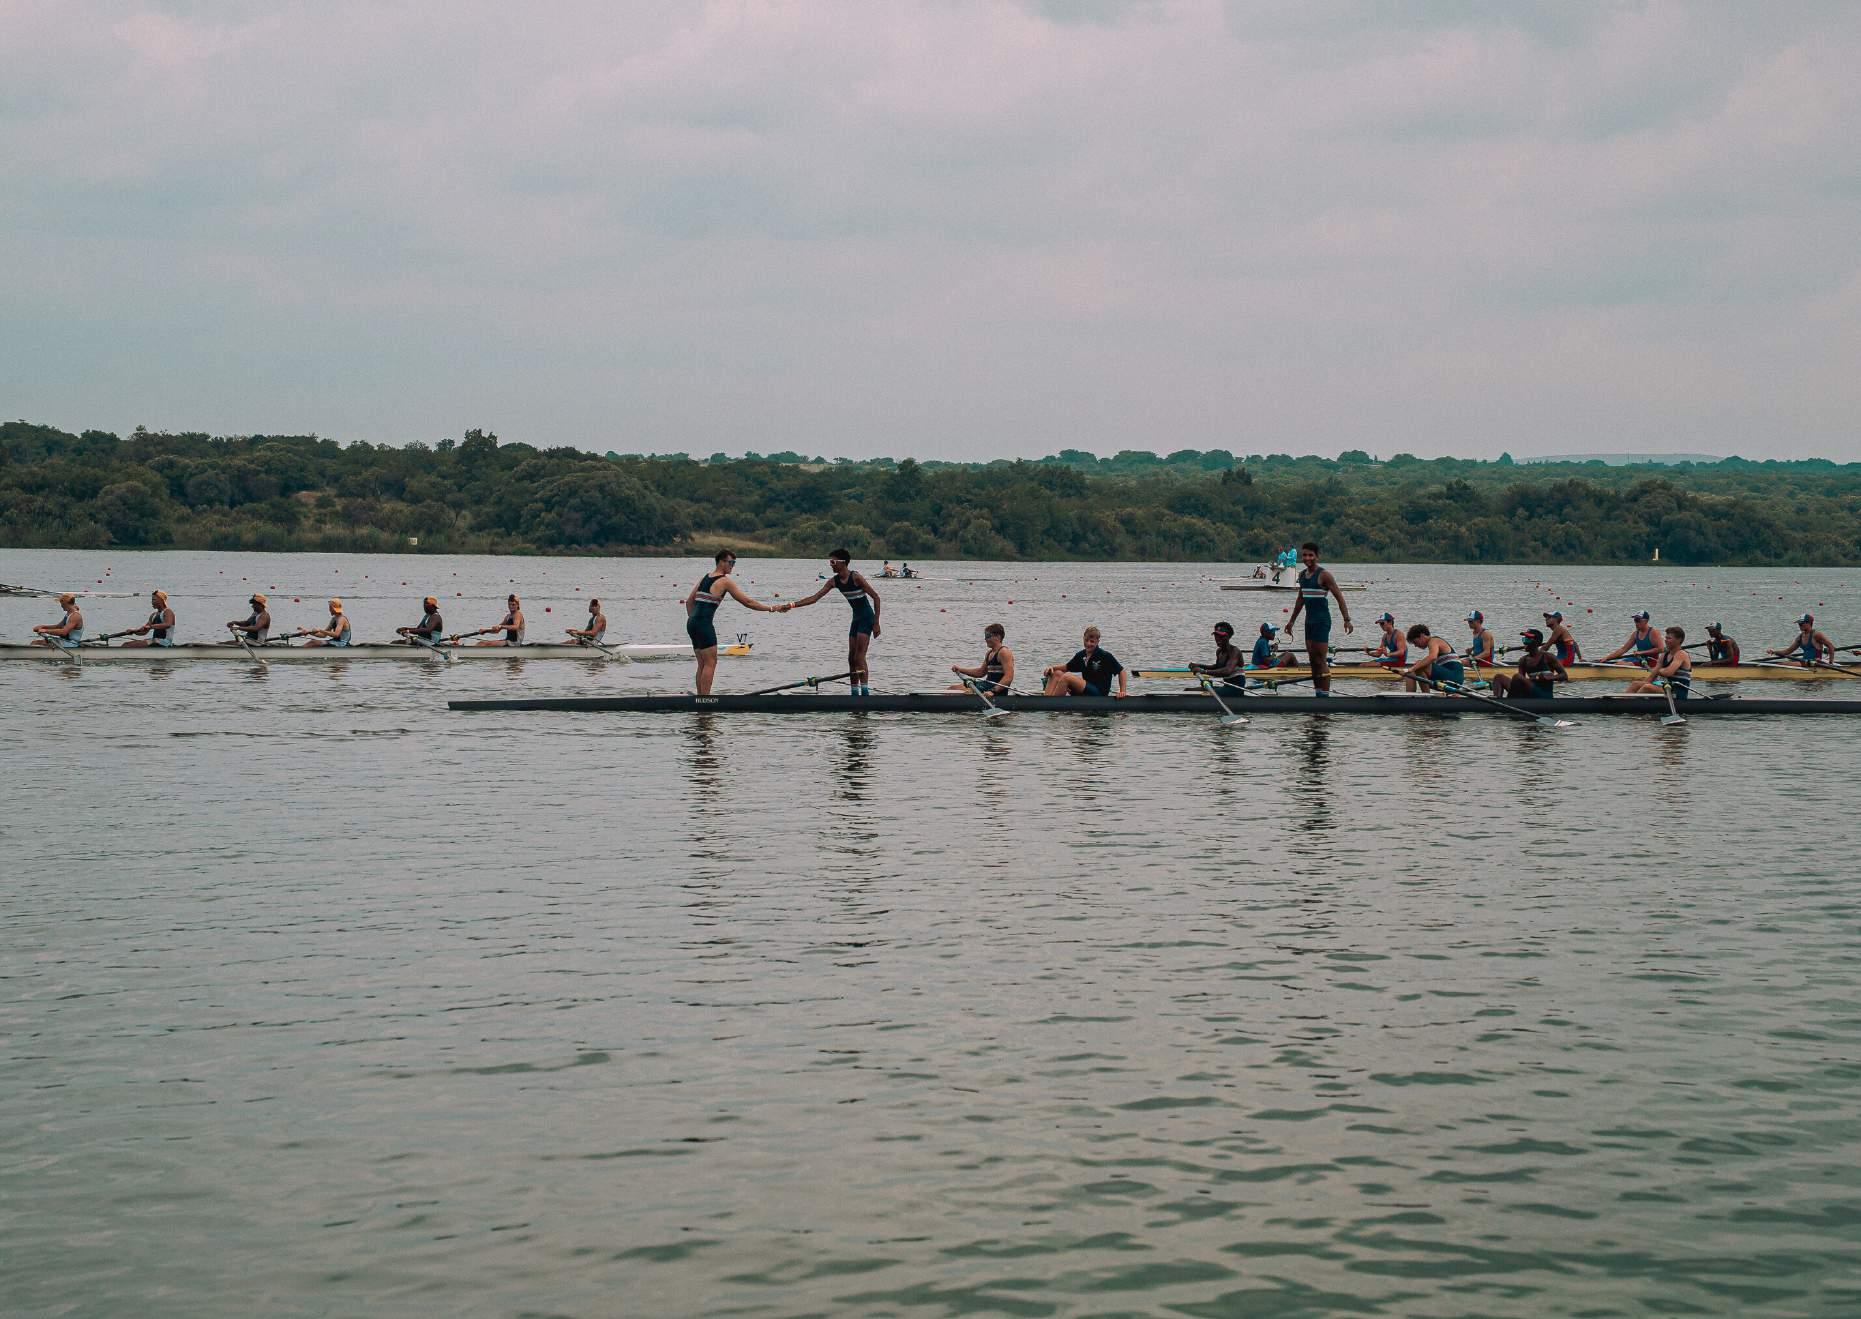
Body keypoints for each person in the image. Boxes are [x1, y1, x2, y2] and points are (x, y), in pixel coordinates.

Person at [782, 549, 882, 695]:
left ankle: (865, 693)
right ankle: (854, 693)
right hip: (856, 619)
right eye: (830, 562)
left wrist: (876, 623)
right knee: (851, 658)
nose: (831, 565)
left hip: (867, 618)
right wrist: (791, 605)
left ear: (843, 563)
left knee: (859, 657)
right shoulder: (834, 581)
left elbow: (876, 597)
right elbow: (814, 598)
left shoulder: (856, 577)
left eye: (833, 562)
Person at [685, 550, 783, 696]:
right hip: (703, 624)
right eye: (731, 563)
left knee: (702, 663)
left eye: (734, 563)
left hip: (692, 623)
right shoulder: (725, 581)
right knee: (711, 662)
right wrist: (771, 608)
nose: (732, 566)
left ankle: (700, 698)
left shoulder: (705, 577)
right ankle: (704, 699)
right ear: (721, 562)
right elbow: (748, 602)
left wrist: (694, 620)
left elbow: (689, 602)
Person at [1284, 541, 1353, 696]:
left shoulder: (1324, 575)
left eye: (1311, 555)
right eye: (1305, 555)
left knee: (1320, 660)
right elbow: (1300, 600)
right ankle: (1318, 693)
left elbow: (1339, 597)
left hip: (1322, 621)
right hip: (1309, 622)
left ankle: (1325, 696)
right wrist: (1291, 621)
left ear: (1317, 556)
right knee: (1312, 660)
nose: (1307, 558)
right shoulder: (1302, 575)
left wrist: (1346, 619)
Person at [1044, 626, 1127, 698]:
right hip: (1085, 690)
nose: (1088, 644)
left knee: (1067, 677)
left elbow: (1121, 671)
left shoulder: (1105, 655)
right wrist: (1051, 667)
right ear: (1083, 638)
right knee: (1057, 673)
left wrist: (1122, 691)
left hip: (1099, 693)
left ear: (1097, 642)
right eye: (1086, 640)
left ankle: (1054, 705)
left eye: (1092, 641)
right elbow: (1066, 667)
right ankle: (1045, 702)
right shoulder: (1081, 655)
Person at [1493, 628, 1567, 699]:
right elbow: (1519, 683)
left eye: (1528, 640)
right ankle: (1497, 700)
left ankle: (1511, 700)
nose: (1525, 643)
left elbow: (1564, 675)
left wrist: (1551, 677)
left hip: (1544, 694)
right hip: (1529, 691)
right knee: (1499, 677)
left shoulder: (1548, 657)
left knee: (1517, 676)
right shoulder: (1523, 660)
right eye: (1524, 639)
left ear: (1537, 642)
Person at [1627, 626, 1693, 699]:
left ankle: (1633, 703)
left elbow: (1668, 672)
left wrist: (1657, 671)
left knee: (1647, 687)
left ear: (1679, 640)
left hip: (1677, 692)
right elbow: (1651, 678)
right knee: (1636, 684)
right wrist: (1644, 682)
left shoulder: (1681, 654)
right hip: (1666, 687)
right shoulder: (1664, 655)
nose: (1666, 640)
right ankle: (1622, 702)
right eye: (1666, 638)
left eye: (1669, 638)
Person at [950, 622, 1014, 695]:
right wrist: (960, 669)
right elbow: (980, 672)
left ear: (998, 636)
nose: (985, 639)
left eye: (988, 636)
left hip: (995, 690)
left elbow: (1009, 677)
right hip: (986, 685)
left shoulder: (1004, 652)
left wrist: (993, 691)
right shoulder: (989, 653)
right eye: (985, 636)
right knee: (952, 688)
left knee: (961, 692)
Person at [1402, 624, 1464, 691]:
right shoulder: (1433, 643)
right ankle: (1421, 695)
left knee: (1418, 665)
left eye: (1415, 642)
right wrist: (1412, 669)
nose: (1415, 646)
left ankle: (1420, 694)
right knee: (1411, 672)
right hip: (1450, 677)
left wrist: (1413, 668)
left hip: (1454, 678)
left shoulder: (1434, 640)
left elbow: (1432, 657)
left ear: (1422, 635)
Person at [1188, 621, 1246, 687]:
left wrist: (1203, 671)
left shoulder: (1234, 651)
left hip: (1237, 688)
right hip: (1227, 685)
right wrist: (1198, 665)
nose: (1218, 639)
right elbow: (1217, 667)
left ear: (1228, 637)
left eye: (1221, 636)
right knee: (1188, 690)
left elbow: (1227, 671)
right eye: (1216, 636)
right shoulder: (1219, 651)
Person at [1768, 613, 1835, 668]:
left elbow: (1831, 646)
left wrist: (1830, 663)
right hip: (1805, 662)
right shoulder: (1800, 637)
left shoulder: (1817, 635)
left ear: (1809, 623)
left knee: (1783, 665)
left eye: (1801, 624)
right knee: (1784, 662)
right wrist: (1774, 652)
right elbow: (1788, 651)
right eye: (1799, 624)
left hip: (1815, 663)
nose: (1799, 626)